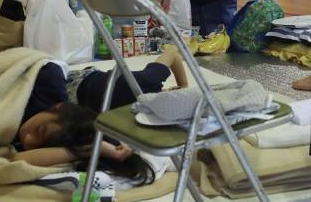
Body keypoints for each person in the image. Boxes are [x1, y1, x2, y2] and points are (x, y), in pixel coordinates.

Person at [15, 47, 188, 176]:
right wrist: (184, 86)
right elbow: (172, 52)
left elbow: (20, 160)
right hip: (80, 83)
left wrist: (94, 148)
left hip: (81, 106)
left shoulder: (104, 130)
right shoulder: (139, 87)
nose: (27, 140)